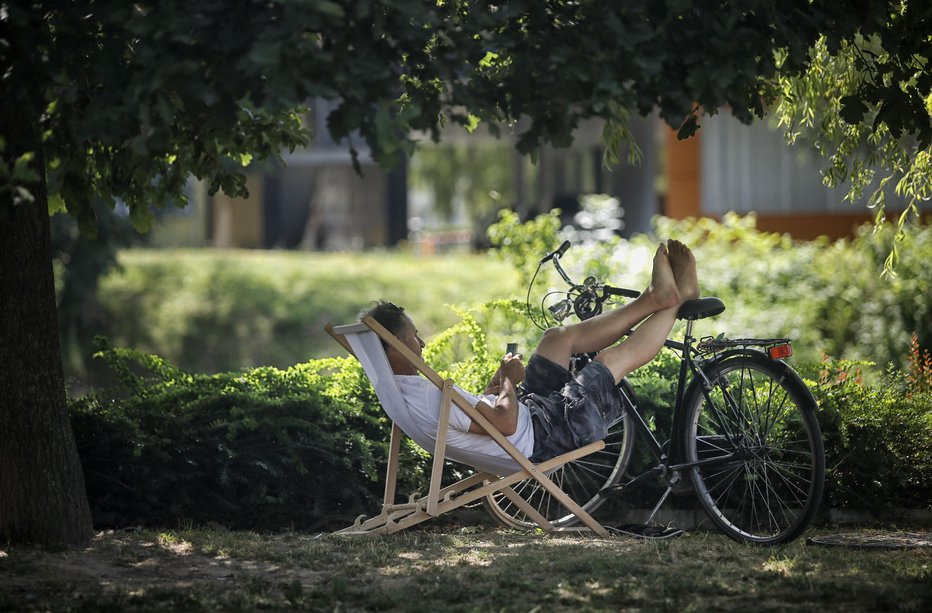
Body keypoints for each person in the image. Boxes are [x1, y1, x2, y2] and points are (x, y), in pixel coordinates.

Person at [360, 240, 700, 464]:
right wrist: (508, 381)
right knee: (609, 362)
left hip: (535, 416)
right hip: (545, 436)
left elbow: (478, 421)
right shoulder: (426, 395)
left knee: (556, 338)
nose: (422, 344)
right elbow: (504, 425)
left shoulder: (402, 391)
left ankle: (653, 298)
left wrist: (497, 385)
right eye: (414, 338)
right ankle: (677, 300)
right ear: (395, 347)